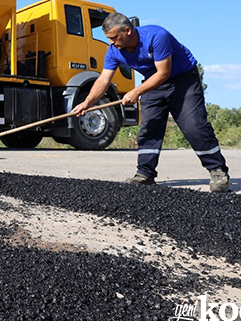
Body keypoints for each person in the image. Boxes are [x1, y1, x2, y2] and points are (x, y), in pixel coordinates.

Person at [72, 13, 230, 192]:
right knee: (149, 128)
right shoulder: (114, 51)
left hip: (183, 80)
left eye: (114, 37)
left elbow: (163, 73)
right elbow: (103, 80)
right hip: (152, 82)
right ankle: (145, 174)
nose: (111, 42)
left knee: (194, 126)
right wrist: (87, 103)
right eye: (109, 38)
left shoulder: (156, 36)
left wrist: (136, 92)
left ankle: (217, 170)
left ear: (127, 30)